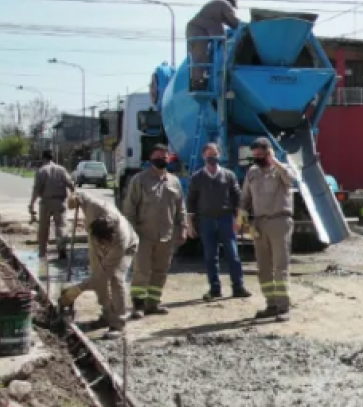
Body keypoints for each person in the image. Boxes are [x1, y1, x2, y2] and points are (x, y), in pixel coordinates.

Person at [60, 193, 137, 340]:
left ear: (109, 238)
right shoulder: (94, 207)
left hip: (128, 247)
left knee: (115, 278)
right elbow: (81, 196)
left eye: (103, 243)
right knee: (97, 276)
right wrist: (74, 200)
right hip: (99, 240)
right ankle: (107, 315)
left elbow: (101, 276)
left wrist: (77, 290)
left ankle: (118, 324)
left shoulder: (120, 240)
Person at [123, 143, 187, 317]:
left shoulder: (174, 181)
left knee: (160, 270)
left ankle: (153, 303)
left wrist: (183, 228)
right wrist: (130, 233)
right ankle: (138, 306)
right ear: (151, 158)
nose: (162, 159)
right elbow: (129, 208)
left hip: (166, 236)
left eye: (165, 157)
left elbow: (180, 208)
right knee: (141, 270)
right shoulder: (139, 180)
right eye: (158, 156)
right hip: (143, 235)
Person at [239, 137, 297, 321]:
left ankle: (283, 306)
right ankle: (271, 304)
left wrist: (275, 161)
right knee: (263, 267)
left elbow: (291, 180)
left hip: (279, 221)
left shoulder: (280, 170)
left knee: (280, 266)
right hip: (259, 224)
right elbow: (245, 198)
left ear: (269, 152)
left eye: (260, 154)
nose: (257, 158)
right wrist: (241, 218)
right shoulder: (252, 173)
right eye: (254, 155)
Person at [186, 142, 250, 301]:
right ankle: (214, 289)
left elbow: (238, 198)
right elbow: (191, 201)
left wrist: (241, 220)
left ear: (219, 156)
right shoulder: (197, 177)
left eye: (214, 155)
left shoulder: (229, 175)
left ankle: (238, 287)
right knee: (210, 256)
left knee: (233, 254)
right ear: (203, 157)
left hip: (226, 220)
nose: (212, 158)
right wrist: (189, 223)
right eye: (209, 155)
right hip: (206, 221)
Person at [28, 150, 76, 260]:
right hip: (60, 202)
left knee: (44, 228)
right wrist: (73, 195)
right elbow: (71, 184)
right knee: (61, 226)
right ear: (52, 158)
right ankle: (62, 247)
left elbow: (36, 189)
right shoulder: (61, 169)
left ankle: (42, 252)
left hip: (46, 202)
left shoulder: (41, 171)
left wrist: (31, 204)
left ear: (43, 158)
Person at [185, 0, 241, 88]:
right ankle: (197, 82)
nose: (232, 8)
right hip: (197, 31)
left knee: (203, 56)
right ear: (230, 2)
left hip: (195, 29)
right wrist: (245, 27)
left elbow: (228, 22)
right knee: (200, 56)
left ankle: (199, 79)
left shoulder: (216, 6)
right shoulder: (224, 3)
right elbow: (232, 20)